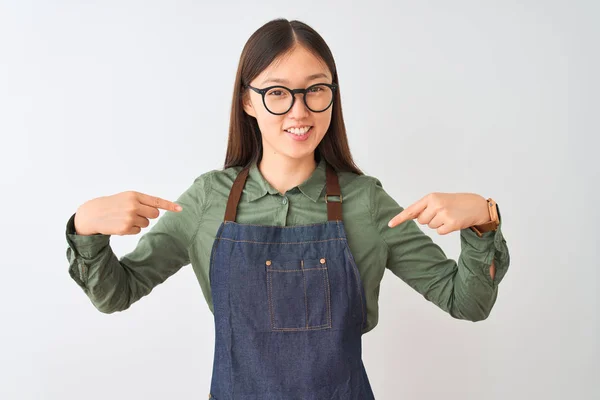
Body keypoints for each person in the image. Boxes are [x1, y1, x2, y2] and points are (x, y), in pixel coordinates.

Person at [65, 18, 510, 399]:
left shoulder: (367, 202)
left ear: (332, 96)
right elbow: (115, 294)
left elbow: (466, 302)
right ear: (247, 101)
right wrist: (86, 228)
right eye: (277, 93)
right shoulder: (207, 200)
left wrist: (482, 220)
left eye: (315, 90)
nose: (300, 111)